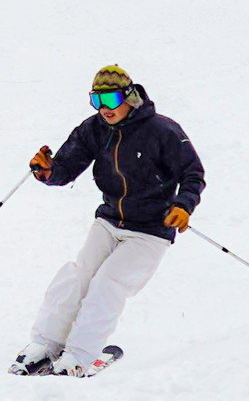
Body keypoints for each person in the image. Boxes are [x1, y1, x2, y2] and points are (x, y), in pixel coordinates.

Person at [11, 65, 205, 377]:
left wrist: (184, 205)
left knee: (107, 284)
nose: (104, 109)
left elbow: (193, 173)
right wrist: (47, 171)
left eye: (111, 100)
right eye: (96, 100)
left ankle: (80, 354)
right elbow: (65, 167)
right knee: (77, 277)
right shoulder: (93, 129)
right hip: (109, 221)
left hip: (151, 230)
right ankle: (46, 344)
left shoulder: (163, 131)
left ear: (131, 97)